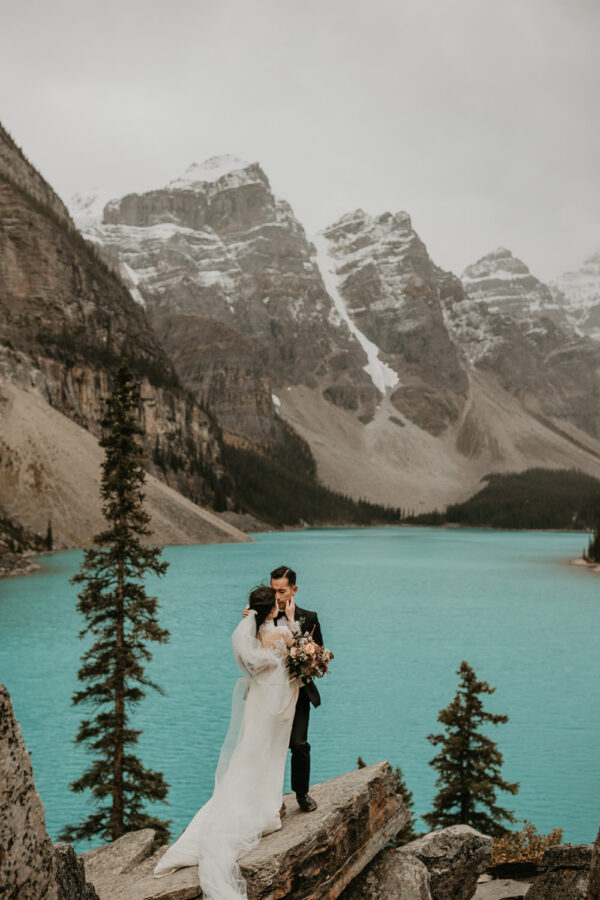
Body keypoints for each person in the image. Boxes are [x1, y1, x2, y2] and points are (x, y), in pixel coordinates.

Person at [153, 585, 299, 898]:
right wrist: (296, 638)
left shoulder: (246, 636)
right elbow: (295, 655)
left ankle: (259, 807)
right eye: (276, 602)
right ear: (270, 608)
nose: (279, 604)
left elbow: (257, 668)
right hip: (273, 708)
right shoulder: (280, 635)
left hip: (256, 704)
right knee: (269, 757)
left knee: (248, 759)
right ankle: (266, 811)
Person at [268, 565, 323, 813]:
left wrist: (306, 659)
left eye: (282, 591)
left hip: (299, 693)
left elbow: (319, 658)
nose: (277, 597)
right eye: (273, 590)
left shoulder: (309, 617)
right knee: (271, 747)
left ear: (294, 589)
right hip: (270, 694)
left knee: (299, 744)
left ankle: (302, 795)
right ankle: (273, 800)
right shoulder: (261, 617)